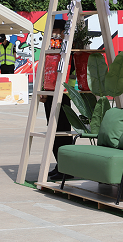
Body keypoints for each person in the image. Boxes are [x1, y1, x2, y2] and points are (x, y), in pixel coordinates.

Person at [40, 19, 74, 181]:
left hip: (63, 94)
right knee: (53, 130)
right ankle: (61, 164)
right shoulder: (52, 47)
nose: (52, 34)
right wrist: (43, 89)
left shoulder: (67, 48)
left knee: (62, 131)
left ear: (61, 32)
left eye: (55, 31)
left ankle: (67, 167)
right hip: (50, 93)